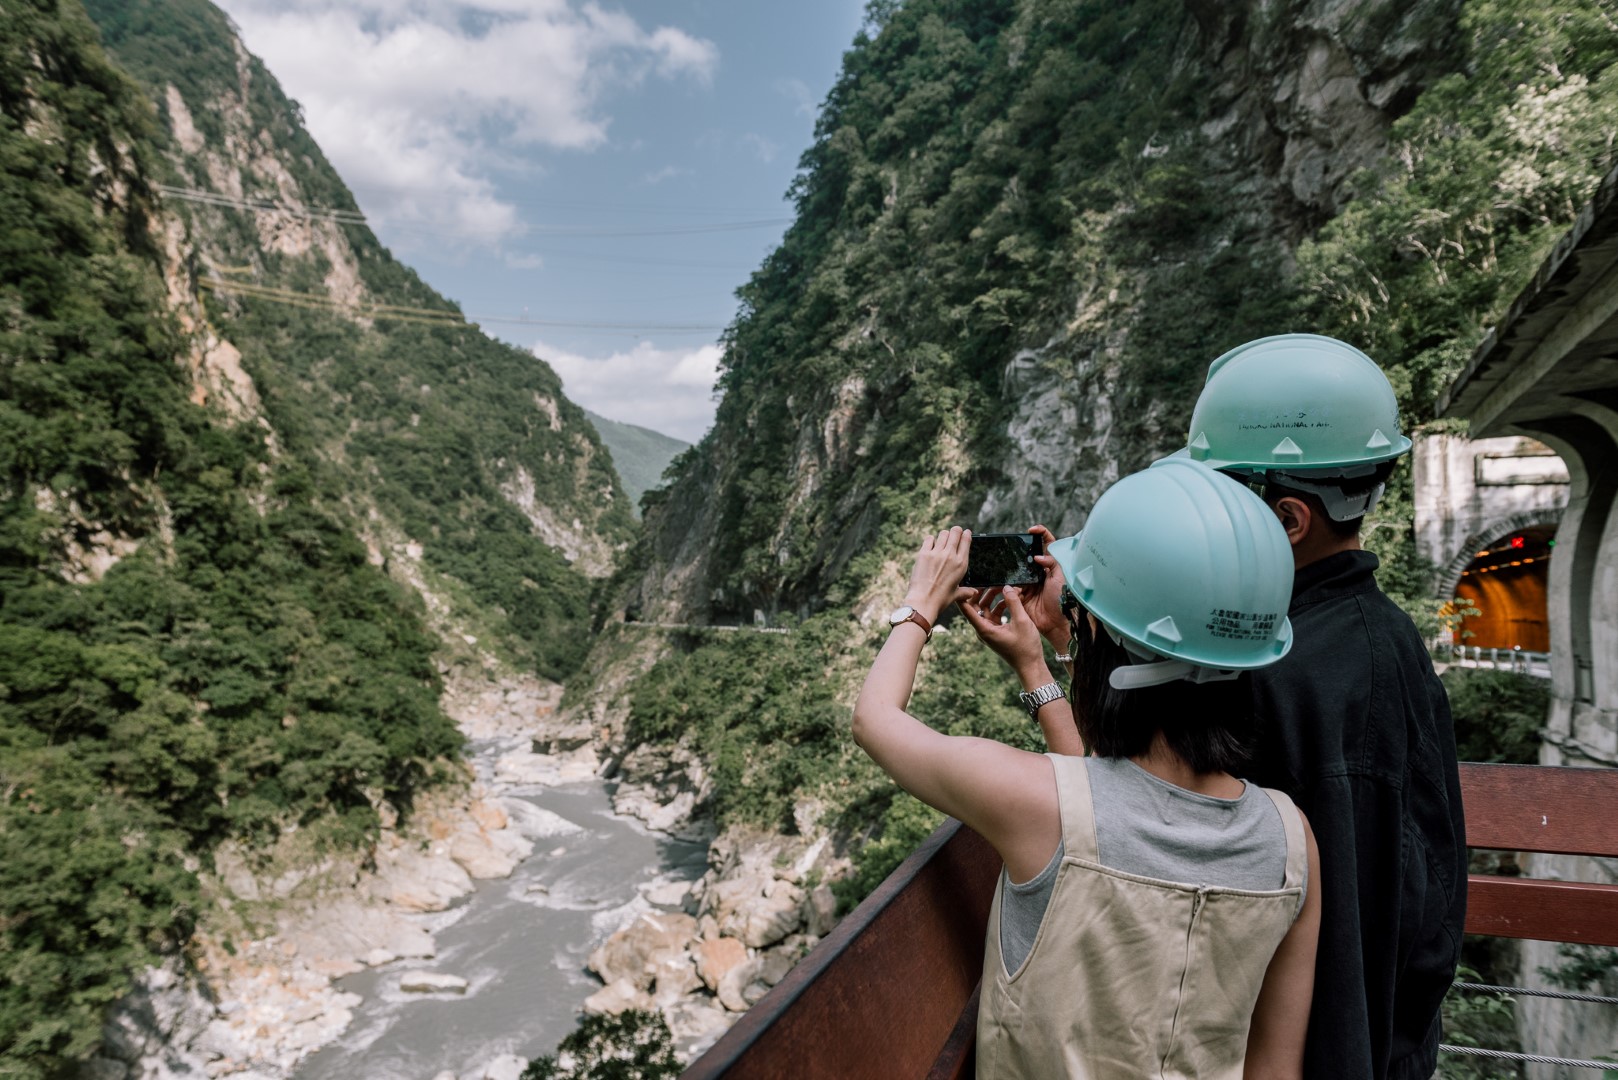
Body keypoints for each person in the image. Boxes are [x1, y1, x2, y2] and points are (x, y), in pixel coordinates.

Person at [855, 459, 1322, 1078]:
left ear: (1100, 641)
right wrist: (1040, 663)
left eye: (1080, 616)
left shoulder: (1034, 800)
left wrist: (919, 605)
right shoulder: (1292, 841)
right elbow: (1275, 1069)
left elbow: (876, 720)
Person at [1175, 333, 1468, 1080]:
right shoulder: (1375, 638)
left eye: (1225, 495)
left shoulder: (1297, 673)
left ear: (1287, 520)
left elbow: (1349, 937)